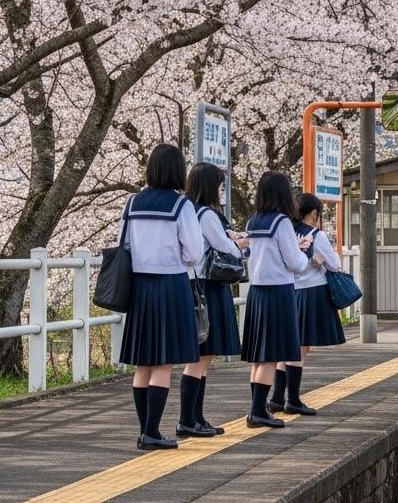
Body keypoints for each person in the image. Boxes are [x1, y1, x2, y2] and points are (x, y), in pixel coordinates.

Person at [120, 143, 204, 451]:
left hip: (140, 287)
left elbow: (124, 244)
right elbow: (195, 253)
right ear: (178, 170)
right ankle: (152, 432)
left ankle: (146, 430)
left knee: (144, 363)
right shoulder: (180, 206)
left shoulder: (132, 203)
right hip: (170, 285)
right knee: (164, 362)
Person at [177, 162, 248, 437]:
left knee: (202, 357)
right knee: (201, 357)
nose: (222, 190)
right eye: (219, 185)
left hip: (195, 284)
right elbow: (223, 246)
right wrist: (239, 243)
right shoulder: (206, 214)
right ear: (209, 186)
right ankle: (187, 419)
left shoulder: (189, 211)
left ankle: (196, 418)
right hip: (209, 286)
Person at [240, 171, 313, 428]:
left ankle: (256, 408)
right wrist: (302, 250)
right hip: (278, 291)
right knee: (271, 354)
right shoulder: (281, 222)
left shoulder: (253, 221)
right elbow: (295, 263)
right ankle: (258, 412)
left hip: (257, 292)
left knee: (260, 355)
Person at [269, 193, 345, 416]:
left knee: (291, 347)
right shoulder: (316, 235)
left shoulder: (288, 232)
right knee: (300, 349)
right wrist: (322, 261)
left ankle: (276, 398)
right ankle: (292, 400)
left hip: (291, 291)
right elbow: (335, 265)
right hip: (312, 293)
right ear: (314, 213)